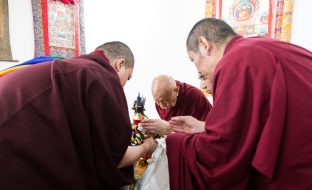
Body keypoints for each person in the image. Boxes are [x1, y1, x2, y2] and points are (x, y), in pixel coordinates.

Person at [166, 18, 312, 189]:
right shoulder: (267, 45)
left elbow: (222, 153)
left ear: (204, 44)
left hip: (293, 176)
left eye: (193, 60)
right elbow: (259, 120)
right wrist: (203, 127)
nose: (199, 70)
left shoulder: (237, 59)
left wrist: (175, 142)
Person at [0, 41, 157, 190]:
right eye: (127, 78)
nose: (123, 86)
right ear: (120, 64)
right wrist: (146, 147)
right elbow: (115, 160)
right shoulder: (101, 78)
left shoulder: (71, 68)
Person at [140, 74, 212, 137]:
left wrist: (168, 130)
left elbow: (207, 132)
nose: (161, 106)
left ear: (177, 90)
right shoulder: (160, 97)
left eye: (166, 100)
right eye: (157, 101)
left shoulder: (195, 97)